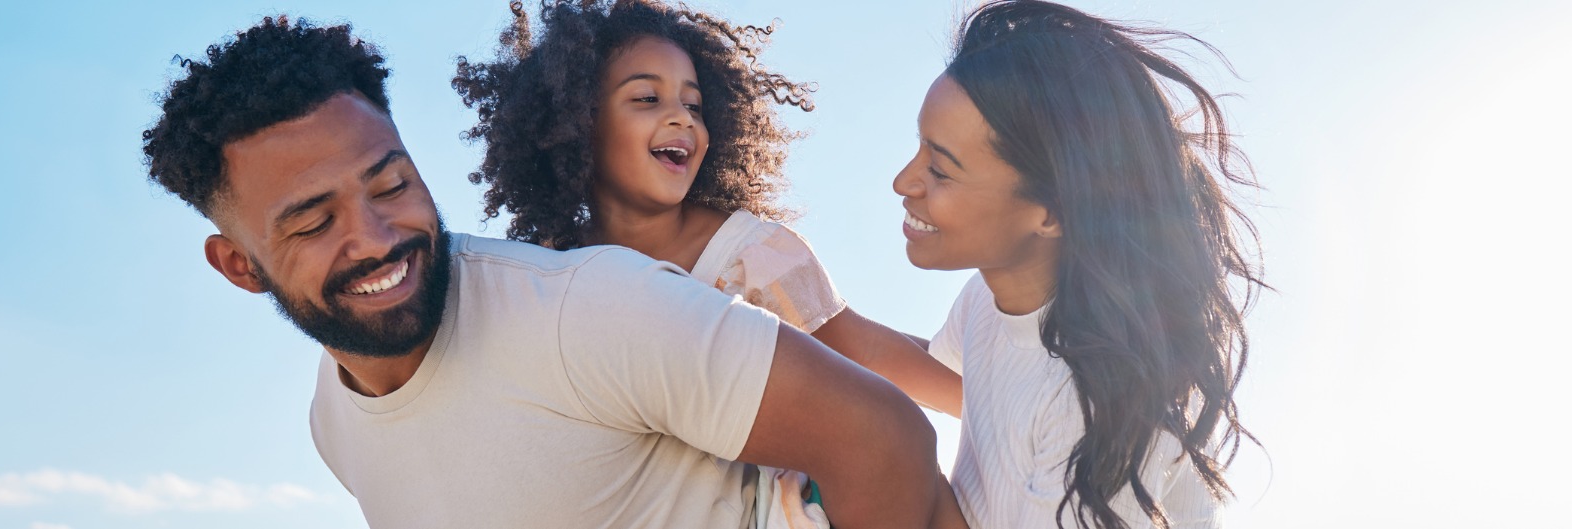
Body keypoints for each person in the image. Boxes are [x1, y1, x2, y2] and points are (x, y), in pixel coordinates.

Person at [141, 15, 954, 529]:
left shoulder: (589, 307)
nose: (376, 236)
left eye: (391, 184)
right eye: (315, 221)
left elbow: (884, 435)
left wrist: (999, 380)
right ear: (239, 265)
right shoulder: (335, 426)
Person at [452, 0, 962, 419]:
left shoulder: (750, 256)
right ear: (578, 123)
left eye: (694, 106)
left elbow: (860, 348)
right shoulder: (556, 271)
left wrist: (1001, 402)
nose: (680, 117)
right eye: (647, 98)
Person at [891, 1, 1264, 528]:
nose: (904, 182)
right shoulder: (988, 301)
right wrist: (794, 306)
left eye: (940, 169)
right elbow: (952, 380)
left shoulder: (1100, 408)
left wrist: (891, 454)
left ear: (1052, 212)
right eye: (919, 147)